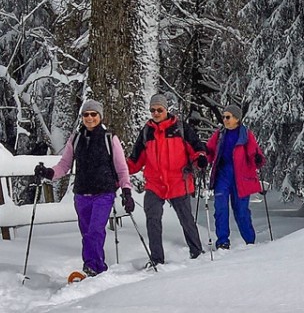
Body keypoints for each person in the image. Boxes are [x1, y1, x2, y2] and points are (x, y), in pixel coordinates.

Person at [34, 99, 133, 278]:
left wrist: (126, 191)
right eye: (86, 114)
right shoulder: (76, 138)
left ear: (100, 116)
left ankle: (93, 267)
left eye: (93, 114)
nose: (89, 118)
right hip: (81, 194)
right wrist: (48, 173)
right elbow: (64, 166)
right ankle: (95, 267)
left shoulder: (110, 138)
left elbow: (121, 167)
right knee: (87, 233)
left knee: (95, 230)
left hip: (104, 192)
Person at [127, 94, 205, 266]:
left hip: (179, 181)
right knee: (152, 219)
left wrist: (200, 158)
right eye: (153, 110)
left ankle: (197, 253)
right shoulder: (147, 132)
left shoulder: (180, 128)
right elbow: (135, 160)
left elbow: (197, 148)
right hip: (155, 183)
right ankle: (156, 259)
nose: (156, 113)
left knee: (186, 219)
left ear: (166, 109)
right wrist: (119, 168)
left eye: (159, 110)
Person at [204, 103, 266, 249]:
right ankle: (223, 241)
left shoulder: (246, 134)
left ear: (237, 118)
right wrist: (202, 158)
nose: (224, 120)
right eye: (223, 117)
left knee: (241, 211)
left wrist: (257, 159)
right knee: (220, 208)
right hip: (222, 177)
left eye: (228, 117)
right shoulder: (219, 134)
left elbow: (255, 153)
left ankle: (250, 241)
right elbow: (209, 151)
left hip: (241, 178)